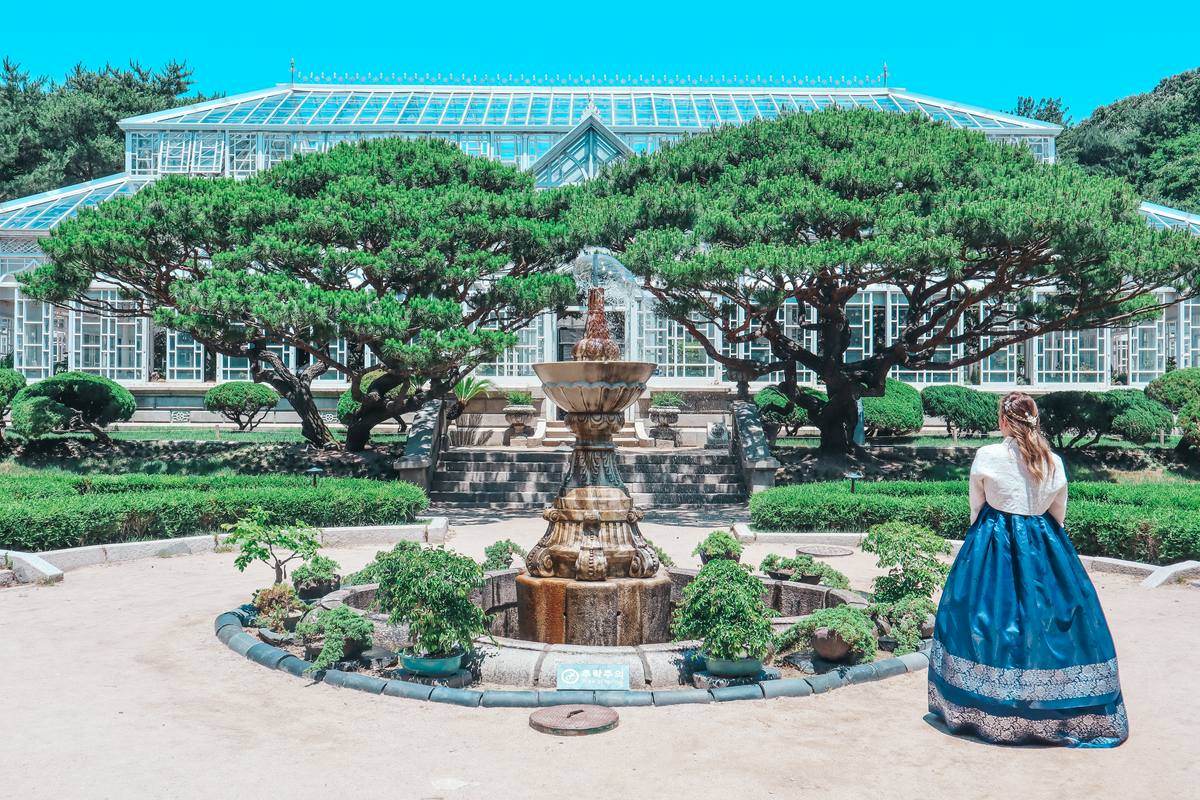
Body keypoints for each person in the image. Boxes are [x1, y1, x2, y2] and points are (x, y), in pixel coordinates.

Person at [927, 391, 1128, 747]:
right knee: (1049, 621)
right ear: (1035, 420)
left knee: (985, 619)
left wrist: (982, 538)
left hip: (993, 542)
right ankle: (1054, 709)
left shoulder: (987, 455)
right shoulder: (1052, 459)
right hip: (1044, 541)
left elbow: (978, 504)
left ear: (1003, 421)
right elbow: (1058, 510)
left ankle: (981, 708)